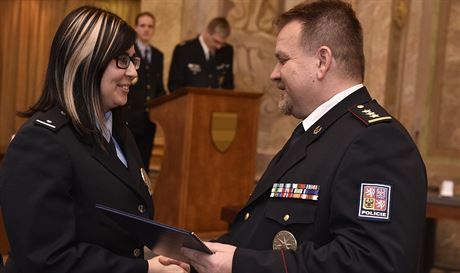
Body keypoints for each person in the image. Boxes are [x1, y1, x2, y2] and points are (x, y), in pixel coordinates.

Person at [161, 1, 427, 272]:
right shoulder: (317, 133)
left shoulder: (377, 141)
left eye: (282, 59)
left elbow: (371, 262)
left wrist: (239, 264)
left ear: (322, 62)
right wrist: (200, 258)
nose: (274, 74)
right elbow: (261, 231)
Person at [0, 6, 187, 273]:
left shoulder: (118, 129)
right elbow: (46, 259)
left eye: (134, 60)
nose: (133, 73)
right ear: (86, 62)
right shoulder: (41, 143)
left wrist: (173, 251)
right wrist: (145, 270)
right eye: (122, 60)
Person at [124, 11, 166, 170]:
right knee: (129, 162)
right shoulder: (129, 52)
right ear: (135, 28)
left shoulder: (158, 55)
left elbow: (158, 86)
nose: (146, 29)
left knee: (144, 163)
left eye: (150, 26)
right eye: (142, 26)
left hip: (149, 120)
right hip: (130, 117)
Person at [168, 17, 234, 92]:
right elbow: (174, 85)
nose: (219, 47)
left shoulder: (227, 50)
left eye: (222, 43)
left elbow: (228, 84)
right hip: (190, 102)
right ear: (207, 32)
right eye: (216, 41)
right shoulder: (184, 50)